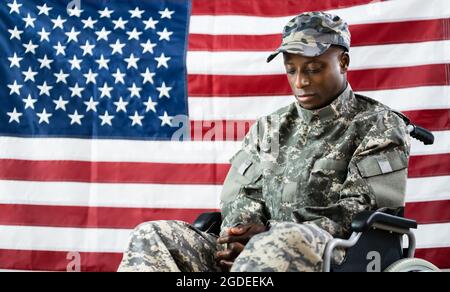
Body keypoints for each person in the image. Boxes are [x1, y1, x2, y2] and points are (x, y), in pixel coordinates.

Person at [117, 11, 411, 272]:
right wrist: (237, 238)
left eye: (314, 68)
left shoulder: (379, 124)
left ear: (343, 62)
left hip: (337, 254)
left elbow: (359, 211)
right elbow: (243, 197)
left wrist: (266, 235)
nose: (301, 81)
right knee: (154, 236)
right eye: (291, 69)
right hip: (256, 253)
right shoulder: (269, 127)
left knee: (279, 243)